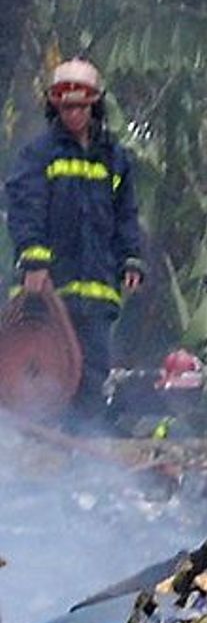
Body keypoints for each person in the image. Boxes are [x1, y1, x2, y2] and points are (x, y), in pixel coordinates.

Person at [5, 58, 144, 427]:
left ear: (94, 104)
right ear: (54, 105)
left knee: (91, 377)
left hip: (98, 292)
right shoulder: (39, 154)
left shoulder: (115, 158)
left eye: (80, 106)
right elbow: (25, 208)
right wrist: (34, 262)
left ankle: (83, 463)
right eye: (65, 107)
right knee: (46, 377)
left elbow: (126, 215)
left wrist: (131, 258)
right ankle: (43, 456)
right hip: (53, 291)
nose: (72, 114)